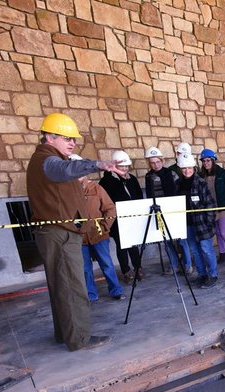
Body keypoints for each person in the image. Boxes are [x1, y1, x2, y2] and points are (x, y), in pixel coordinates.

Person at [26, 113, 124, 351]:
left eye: (74, 139)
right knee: (72, 285)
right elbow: (62, 169)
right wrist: (98, 164)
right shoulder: (48, 160)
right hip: (59, 233)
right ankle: (79, 338)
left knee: (62, 285)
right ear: (50, 137)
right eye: (66, 138)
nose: (72, 143)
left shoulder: (48, 159)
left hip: (58, 232)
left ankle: (66, 334)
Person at [73, 155, 125, 302]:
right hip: (79, 237)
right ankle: (91, 295)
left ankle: (116, 290)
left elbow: (110, 209)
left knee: (107, 264)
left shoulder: (96, 189)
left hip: (99, 236)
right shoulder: (66, 193)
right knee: (85, 268)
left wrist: (104, 227)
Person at [99, 150, 144, 283]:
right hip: (117, 221)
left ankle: (138, 267)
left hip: (132, 217)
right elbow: (106, 202)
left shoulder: (132, 179)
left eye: (126, 166)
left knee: (133, 244)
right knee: (122, 246)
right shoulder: (106, 181)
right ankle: (126, 271)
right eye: (121, 167)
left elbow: (138, 196)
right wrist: (120, 181)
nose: (124, 169)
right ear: (115, 167)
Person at [175, 153, 219, 288]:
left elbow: (210, 204)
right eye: (184, 168)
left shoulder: (200, 183)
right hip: (187, 224)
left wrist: (208, 222)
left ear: (193, 168)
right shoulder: (178, 184)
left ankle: (213, 275)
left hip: (202, 224)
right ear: (180, 169)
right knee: (194, 250)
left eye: (189, 168)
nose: (187, 171)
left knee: (206, 249)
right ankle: (202, 275)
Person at [143, 146, 184, 275]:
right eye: (152, 163)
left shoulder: (170, 173)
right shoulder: (148, 176)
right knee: (166, 240)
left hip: (173, 209)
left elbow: (179, 190)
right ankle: (174, 264)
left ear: (162, 161)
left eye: (158, 162)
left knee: (180, 239)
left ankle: (187, 264)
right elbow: (150, 195)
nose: (155, 165)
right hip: (158, 211)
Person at [198, 148, 225, 265]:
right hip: (210, 209)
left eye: (208, 160)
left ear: (213, 160)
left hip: (223, 208)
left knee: (224, 232)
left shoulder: (222, 173)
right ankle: (222, 255)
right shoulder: (201, 175)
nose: (206, 163)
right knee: (218, 233)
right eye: (204, 161)